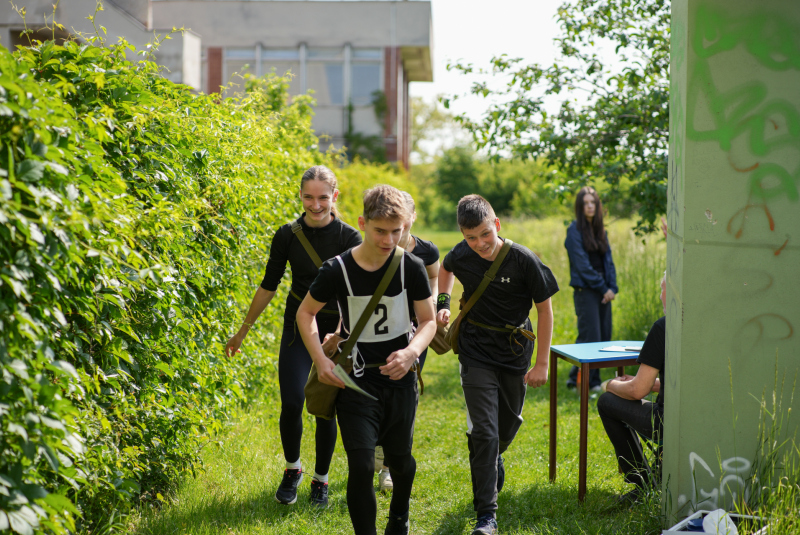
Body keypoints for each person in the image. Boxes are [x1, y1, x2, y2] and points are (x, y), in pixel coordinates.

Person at [297, 185, 436, 535]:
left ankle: (399, 518)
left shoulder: (412, 267)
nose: (389, 239)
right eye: (380, 231)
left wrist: (411, 352)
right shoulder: (337, 269)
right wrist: (322, 360)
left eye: (397, 231)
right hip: (356, 379)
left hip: (400, 381)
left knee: (400, 461)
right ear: (362, 222)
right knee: (360, 465)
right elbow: (305, 313)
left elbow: (429, 321)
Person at [224, 166, 361, 508]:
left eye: (323, 197)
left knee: (325, 409)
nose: (315, 205)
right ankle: (292, 469)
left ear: (335, 196)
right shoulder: (287, 234)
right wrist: (242, 331)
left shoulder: (349, 238)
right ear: (300, 196)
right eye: (308, 197)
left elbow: (356, 293)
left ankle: (322, 479)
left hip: (336, 332)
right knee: (291, 403)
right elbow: (269, 285)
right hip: (298, 327)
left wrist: (342, 334)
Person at [436, 195, 558, 535]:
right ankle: (486, 517)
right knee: (485, 432)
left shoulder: (523, 260)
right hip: (474, 349)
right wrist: (443, 302)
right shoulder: (462, 253)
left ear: (497, 225)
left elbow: (545, 311)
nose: (479, 244)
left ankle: (493, 453)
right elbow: (445, 268)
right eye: (470, 237)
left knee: (506, 426)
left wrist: (542, 363)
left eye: (485, 234)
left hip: (515, 352)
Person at [372, 191, 441, 493]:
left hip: (414, 335)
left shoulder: (426, 251)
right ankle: (375, 443)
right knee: (375, 393)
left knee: (404, 398)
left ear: (412, 217)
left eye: (403, 218)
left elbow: (434, 281)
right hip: (377, 331)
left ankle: (388, 468)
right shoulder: (375, 248)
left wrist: (433, 307)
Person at [597, 272, 667, 504]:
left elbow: (638, 391)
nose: (660, 296)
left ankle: (642, 483)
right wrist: (653, 384)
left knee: (606, 402)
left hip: (668, 422)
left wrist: (612, 384)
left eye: (662, 289)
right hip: (702, 418)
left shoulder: (663, 328)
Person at [564, 186, 619, 391]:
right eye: (585, 203)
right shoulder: (574, 230)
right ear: (580, 207)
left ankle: (574, 379)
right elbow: (582, 266)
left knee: (603, 336)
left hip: (603, 290)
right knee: (591, 337)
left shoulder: (600, 230)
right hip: (586, 290)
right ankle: (590, 383)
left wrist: (612, 288)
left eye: (593, 202)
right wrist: (603, 287)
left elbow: (609, 261)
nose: (590, 206)